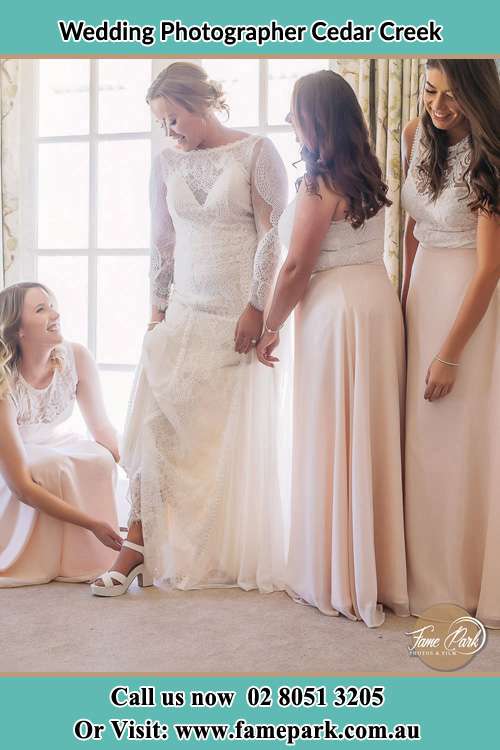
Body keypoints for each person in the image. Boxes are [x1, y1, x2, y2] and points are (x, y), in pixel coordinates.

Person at [92, 62, 288, 596]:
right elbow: (162, 243)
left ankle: (202, 549)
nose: (169, 130)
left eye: (172, 117)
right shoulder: (164, 163)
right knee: (153, 422)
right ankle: (137, 544)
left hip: (234, 319)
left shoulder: (256, 152)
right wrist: (155, 312)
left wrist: (257, 307)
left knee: (213, 441)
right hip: (181, 314)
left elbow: (273, 238)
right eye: (161, 122)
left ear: (200, 103)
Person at [256, 70, 410, 628]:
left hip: (336, 309)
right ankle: (372, 568)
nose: (290, 120)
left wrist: (270, 325)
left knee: (332, 433)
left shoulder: (318, 185)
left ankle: (337, 573)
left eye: (296, 111)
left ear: (316, 118)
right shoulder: (368, 173)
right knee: (366, 433)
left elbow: (296, 266)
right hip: (375, 299)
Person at [401, 59, 500, 628]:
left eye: (453, 95)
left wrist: (449, 352)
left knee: (463, 436)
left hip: (470, 305)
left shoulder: (492, 153)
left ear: (478, 95)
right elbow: (414, 230)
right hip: (424, 294)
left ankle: (466, 580)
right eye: (429, 91)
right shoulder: (418, 135)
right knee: (424, 438)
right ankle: (427, 574)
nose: (438, 107)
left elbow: (490, 269)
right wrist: (403, 298)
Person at [0, 282, 122, 587]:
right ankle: (42, 558)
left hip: (54, 443)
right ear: (18, 331)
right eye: (41, 309)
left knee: (99, 459)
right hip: (10, 461)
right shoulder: (4, 383)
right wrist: (91, 524)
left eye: (52, 305)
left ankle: (86, 557)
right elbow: (21, 487)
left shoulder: (76, 357)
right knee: (47, 467)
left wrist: (135, 475)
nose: (55, 314)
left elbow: (103, 429)